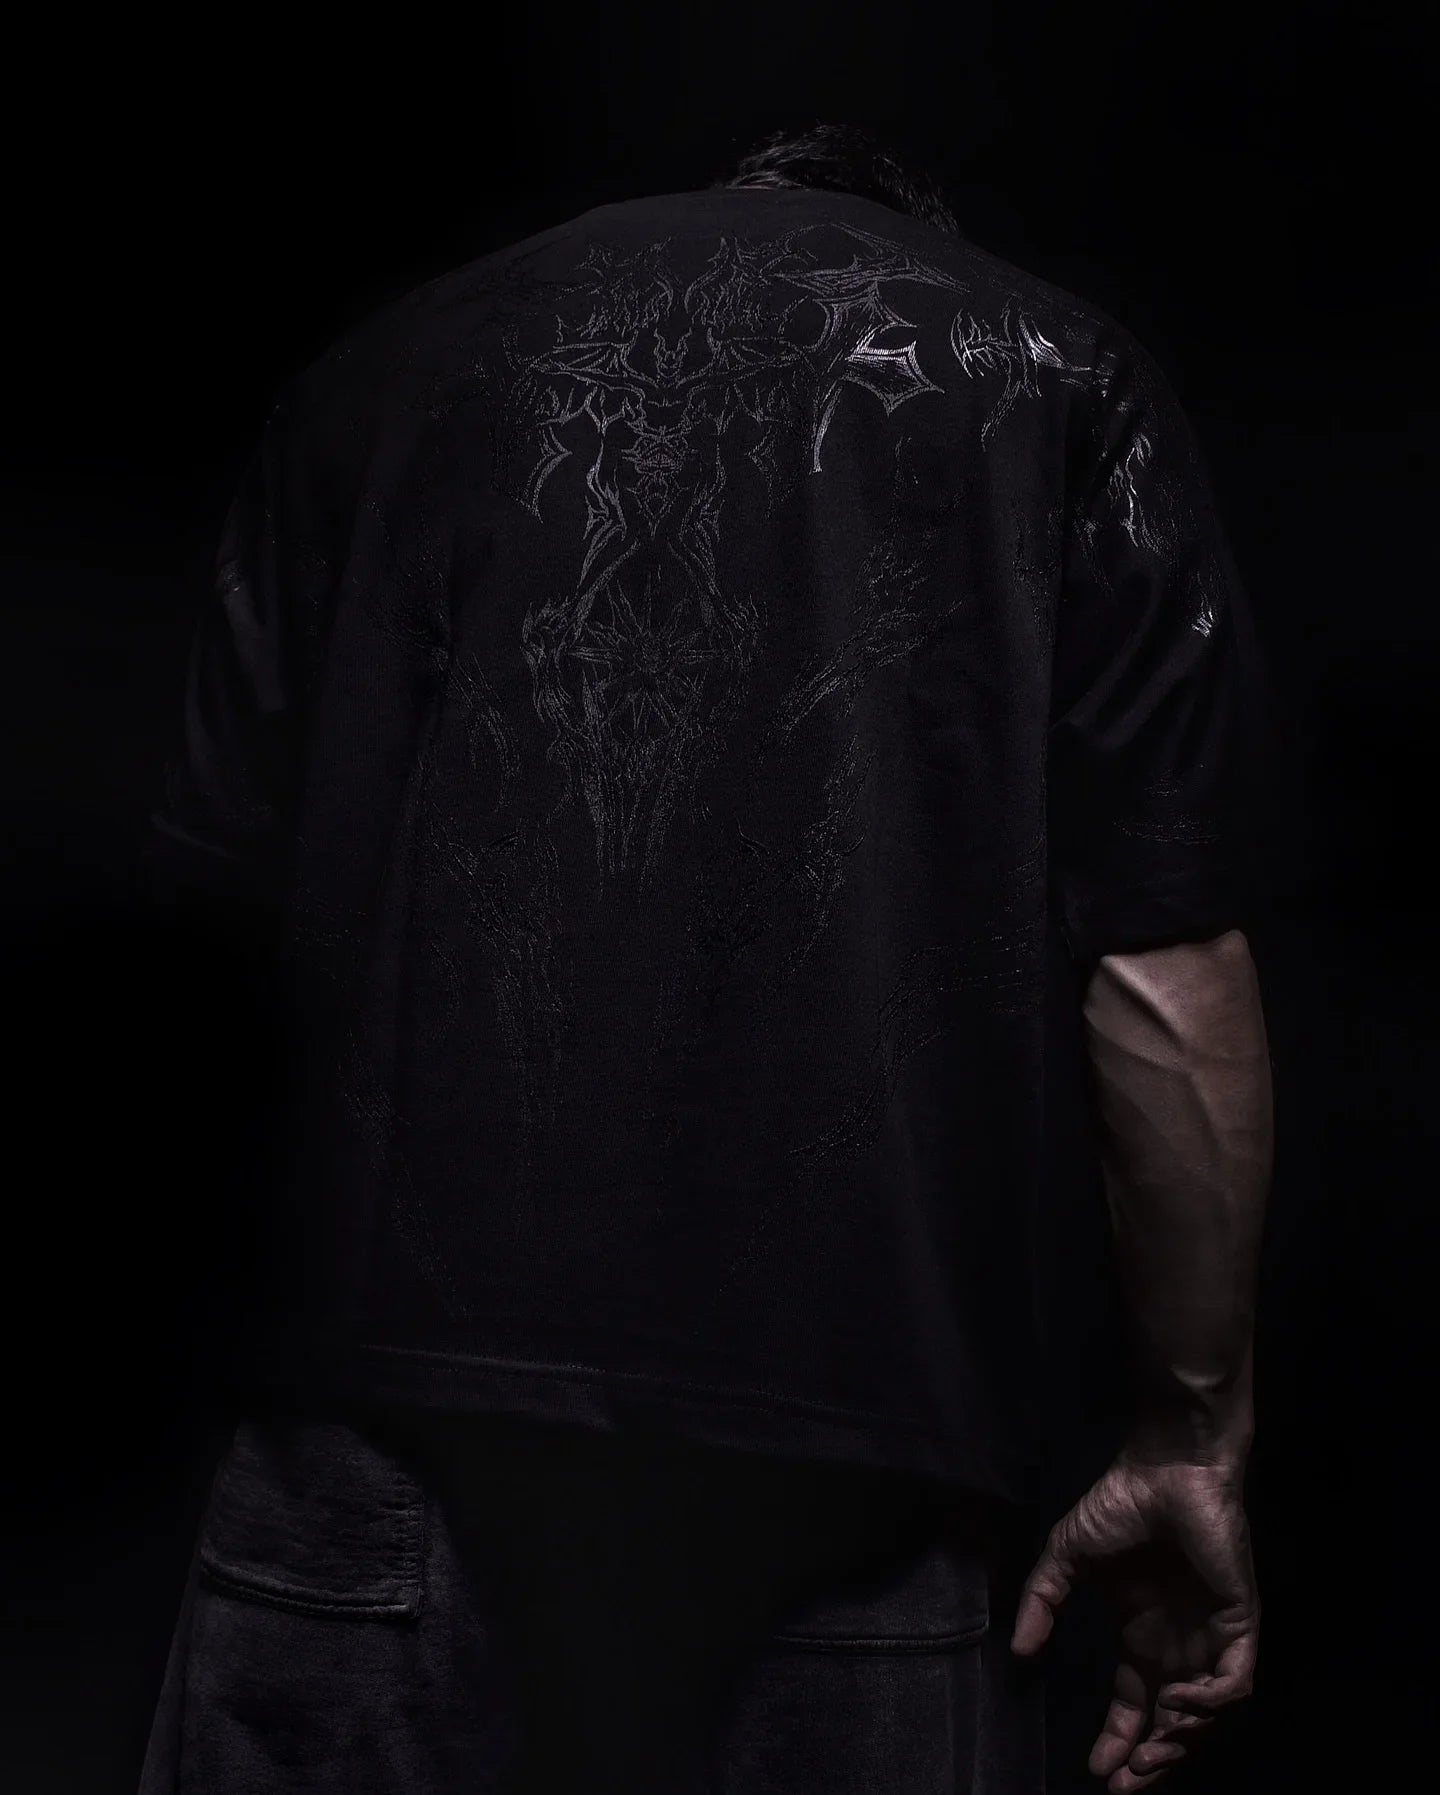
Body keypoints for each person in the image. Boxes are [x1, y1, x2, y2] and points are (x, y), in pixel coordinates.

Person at [136, 121, 1272, 1794]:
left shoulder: (380, 372)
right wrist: (1192, 1431)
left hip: (372, 1438)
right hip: (846, 1473)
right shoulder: (1062, 379)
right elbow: (1159, 980)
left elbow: (192, 946)